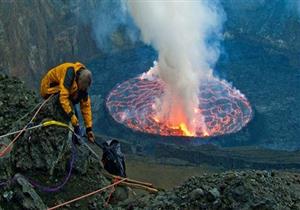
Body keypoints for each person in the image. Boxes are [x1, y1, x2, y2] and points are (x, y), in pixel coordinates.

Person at [40, 62, 95, 143]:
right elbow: (63, 98)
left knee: (76, 100)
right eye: (82, 87)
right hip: (49, 89)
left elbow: (86, 106)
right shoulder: (69, 73)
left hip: (64, 90)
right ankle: (74, 134)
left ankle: (76, 135)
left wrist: (89, 129)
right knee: (70, 107)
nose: (83, 89)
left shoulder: (82, 80)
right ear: (79, 80)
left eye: (84, 88)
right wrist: (71, 115)